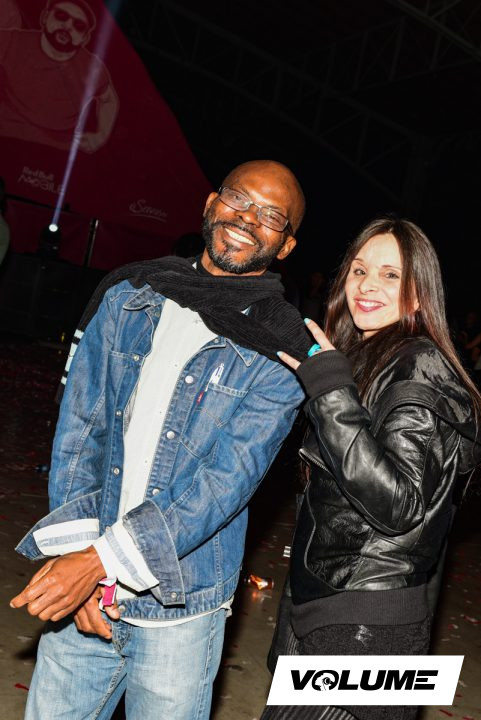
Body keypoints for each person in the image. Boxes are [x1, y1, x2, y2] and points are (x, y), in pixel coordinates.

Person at [10, 159, 311, 720]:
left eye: (271, 216)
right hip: (87, 578)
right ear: (210, 203)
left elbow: (222, 485)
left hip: (182, 606)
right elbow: (81, 433)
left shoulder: (283, 348)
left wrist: (96, 564)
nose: (248, 219)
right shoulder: (130, 296)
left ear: (287, 245)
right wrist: (81, 563)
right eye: (238, 199)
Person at [264, 217, 481, 720]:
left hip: (362, 623)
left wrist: (331, 392)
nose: (367, 285)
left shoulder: (420, 367)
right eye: (359, 270)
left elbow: (398, 504)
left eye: (390, 275)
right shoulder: (372, 353)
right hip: (328, 604)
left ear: (419, 293)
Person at [0, 0, 119, 152]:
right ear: (45, 17)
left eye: (79, 25)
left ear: (84, 38)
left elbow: (108, 99)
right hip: (7, 138)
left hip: (57, 151)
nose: (68, 26)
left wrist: (100, 136)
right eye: (61, 15)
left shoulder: (92, 68)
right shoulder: (12, 40)